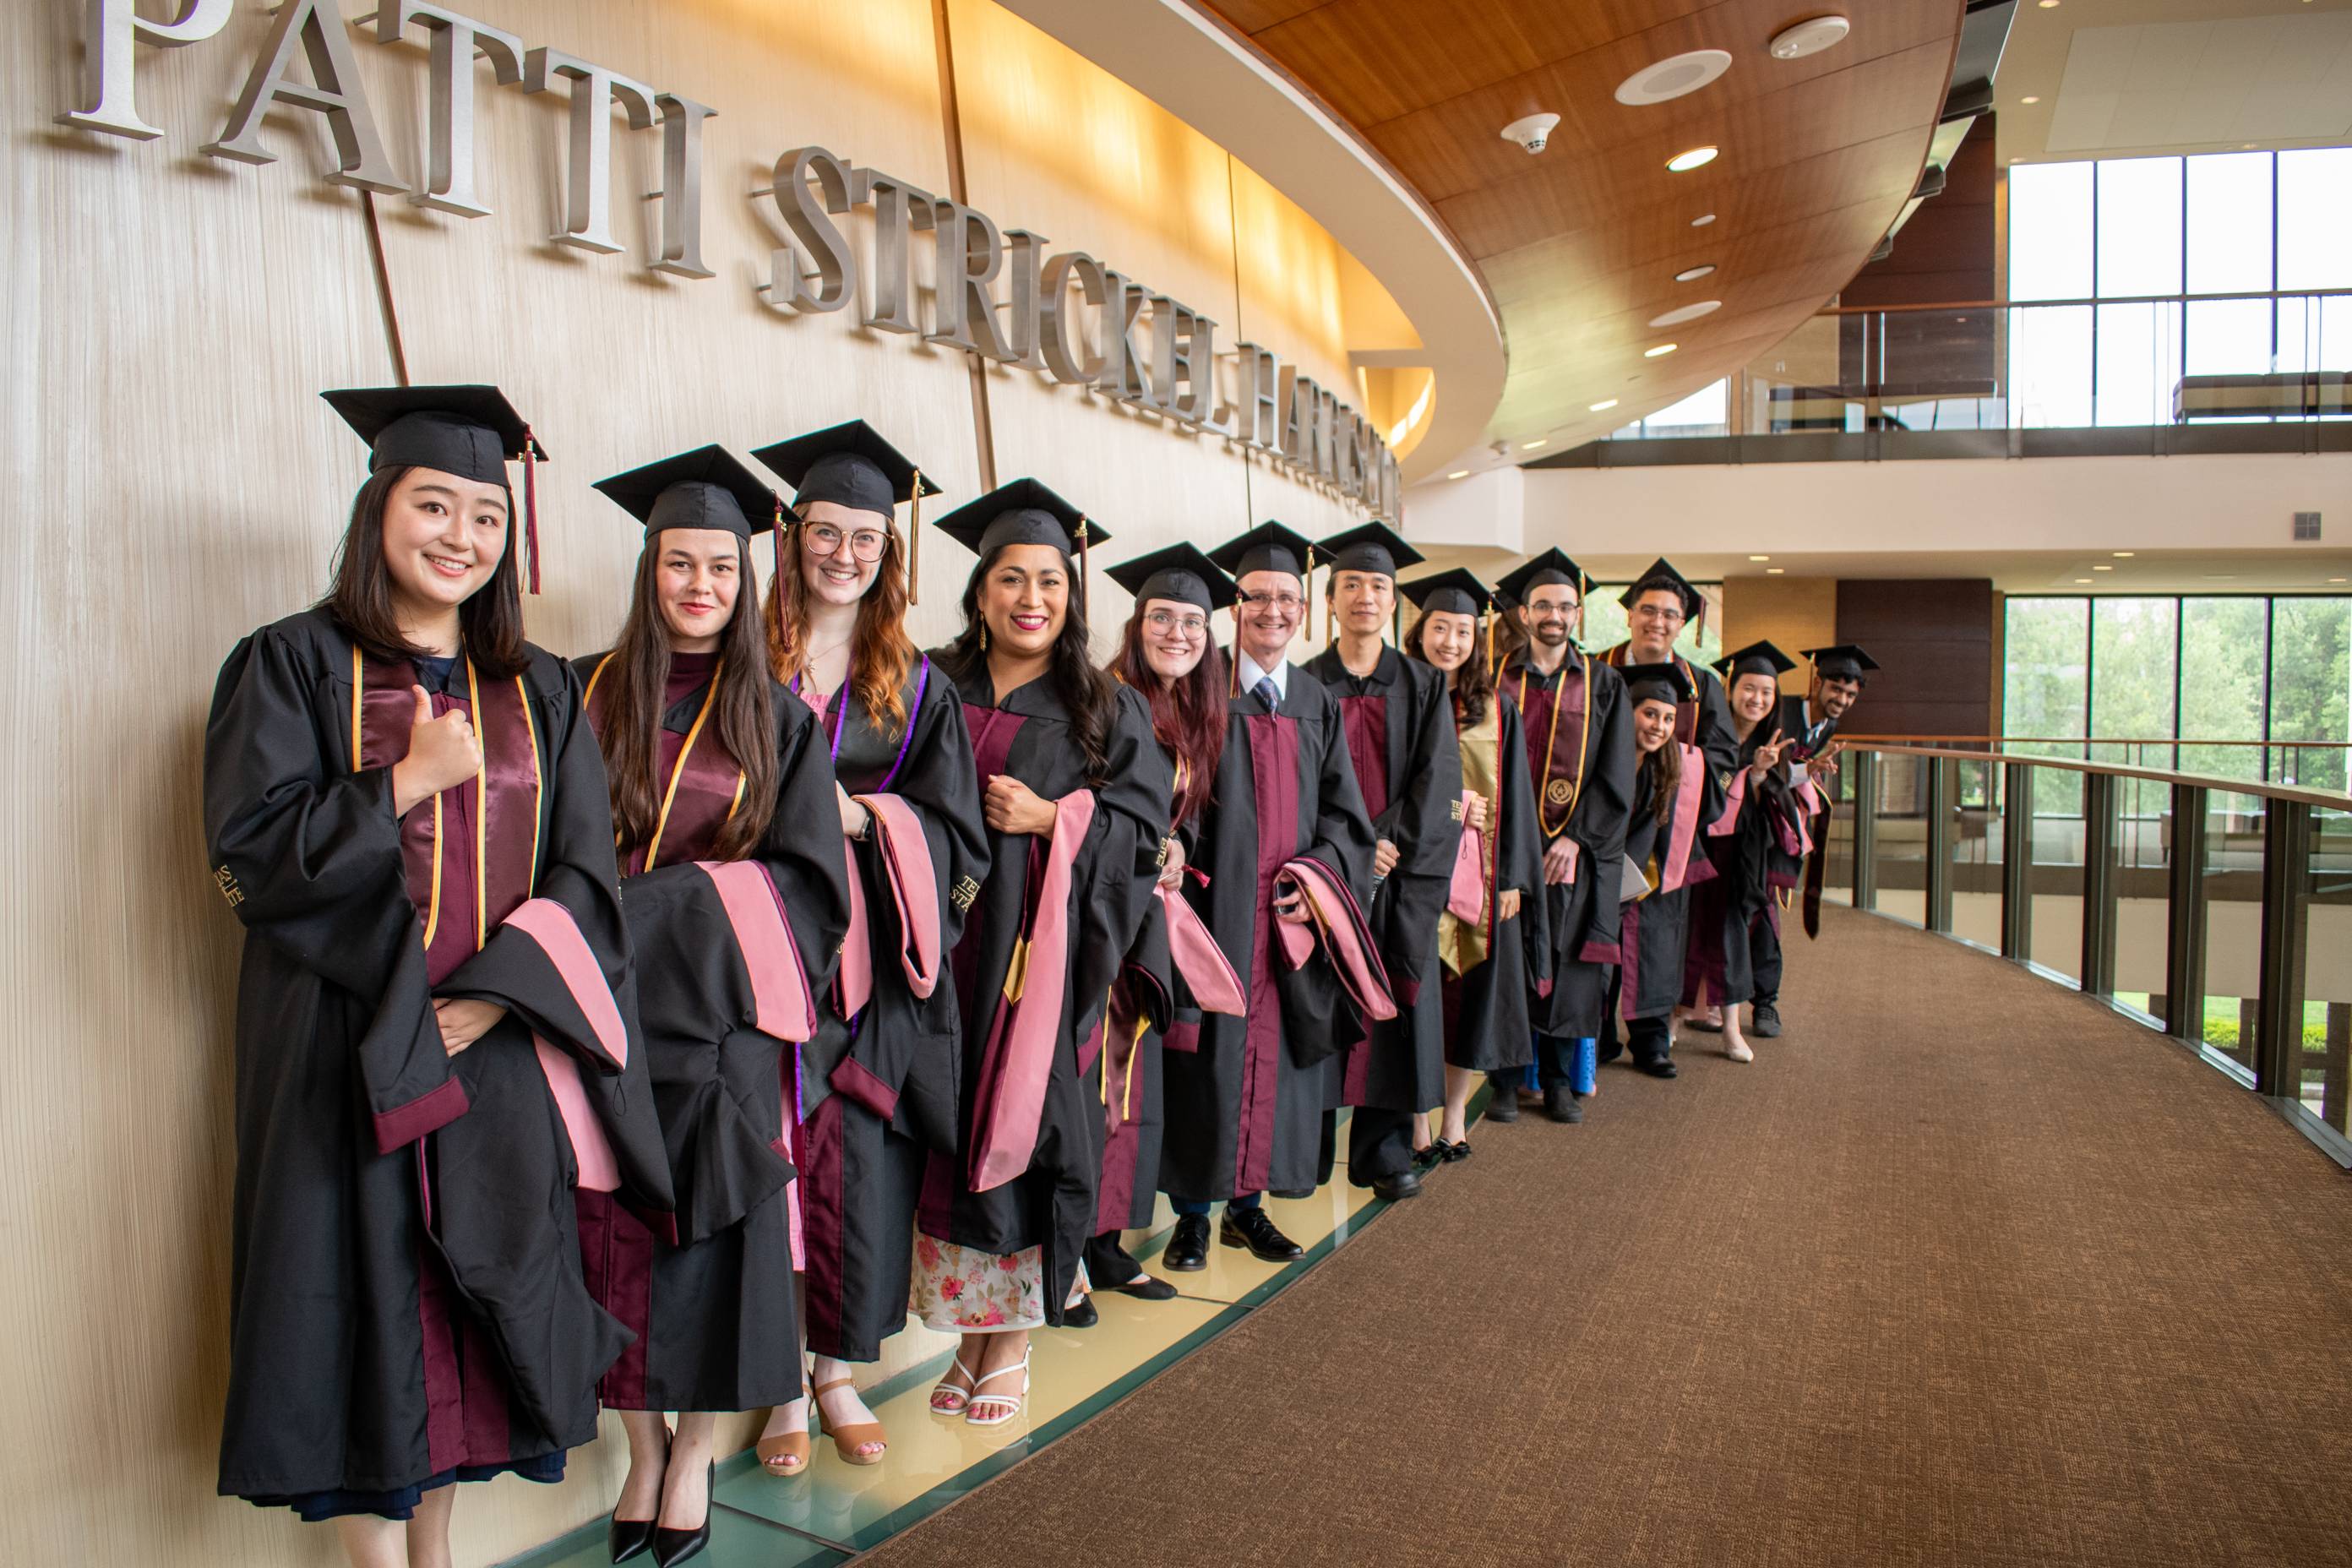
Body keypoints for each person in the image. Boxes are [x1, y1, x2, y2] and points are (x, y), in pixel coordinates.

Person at [205, 385, 672, 1568]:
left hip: (494, 1050)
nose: (460, 536)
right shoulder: (289, 665)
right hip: (343, 1049)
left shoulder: (540, 688)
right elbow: (246, 860)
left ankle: (437, 1554)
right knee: (360, 1308)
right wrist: (401, 786)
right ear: (378, 513)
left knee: (465, 1316)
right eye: (433, 505)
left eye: (485, 514)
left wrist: (492, 1000)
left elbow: (583, 875)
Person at [575, 444, 853, 1565]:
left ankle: (693, 1462)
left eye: (720, 570)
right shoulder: (581, 690)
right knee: (611, 1245)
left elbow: (811, 888)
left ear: (747, 588)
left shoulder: (777, 720)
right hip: (597, 1019)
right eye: (678, 564)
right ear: (648, 572)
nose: (698, 585)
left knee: (717, 1257)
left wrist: (677, 905)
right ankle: (642, 1453)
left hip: (724, 1030)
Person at [748, 422, 988, 1471]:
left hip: (862, 966)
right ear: (791, 534)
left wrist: (873, 822)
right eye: (826, 532)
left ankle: (834, 1370)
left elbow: (959, 834)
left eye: (866, 538)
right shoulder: (741, 659)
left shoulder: (919, 684)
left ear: (890, 553)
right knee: (767, 1162)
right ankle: (772, 1384)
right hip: (753, 952)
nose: (844, 553)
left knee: (848, 1164)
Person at [915, 481, 1170, 1425]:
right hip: (945, 952)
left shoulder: (1105, 704)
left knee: (1029, 1130)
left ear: (1072, 596)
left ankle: (1012, 1339)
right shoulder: (931, 681)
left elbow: (1143, 832)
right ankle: (973, 1328)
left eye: (1051, 582)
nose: (1032, 597)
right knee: (951, 1130)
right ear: (980, 590)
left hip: (1041, 966)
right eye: (1011, 578)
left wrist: (1054, 817)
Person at [1160, 521, 1380, 1268]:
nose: (1274, 611)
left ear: (1305, 609)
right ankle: (1193, 1213)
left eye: (1288, 598)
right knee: (1208, 1058)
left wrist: (1314, 880)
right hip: (1216, 914)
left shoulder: (1315, 702)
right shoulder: (1202, 690)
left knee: (1273, 1062)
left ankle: (1246, 1209)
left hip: (1287, 923)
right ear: (1235, 606)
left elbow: (1347, 817)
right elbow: (1174, 802)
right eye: (1258, 597)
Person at [1080, 542, 1241, 1315]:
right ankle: (1069, 1255)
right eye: (1162, 617)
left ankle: (1106, 1244)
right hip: (1095, 915)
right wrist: (1147, 850)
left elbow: (1175, 818)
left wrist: (1173, 847)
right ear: (1136, 622)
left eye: (1193, 622)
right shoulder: (1104, 697)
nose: (1178, 632)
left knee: (1130, 1074)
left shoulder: (1193, 710)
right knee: (1088, 1077)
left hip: (1148, 918)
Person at [1304, 521, 1462, 1202]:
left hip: (1400, 878)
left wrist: (1384, 843)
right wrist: (1350, 848)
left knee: (1394, 1007)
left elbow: (1439, 778)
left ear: (1394, 600)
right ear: (1331, 599)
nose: (1365, 596)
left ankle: (1387, 1149)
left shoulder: (1424, 684)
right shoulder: (1307, 684)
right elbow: (1295, 781)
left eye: (1379, 585)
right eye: (1351, 585)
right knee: (1314, 999)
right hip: (1326, 871)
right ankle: (1300, 1156)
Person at [1398, 569, 1549, 1159]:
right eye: (1441, 628)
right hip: (1414, 874)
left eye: (1463, 631)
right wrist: (1456, 807)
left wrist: (1512, 874)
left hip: (1482, 881)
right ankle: (1415, 1116)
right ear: (1421, 632)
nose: (1452, 642)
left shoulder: (1495, 709)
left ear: (1477, 638)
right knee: (1417, 996)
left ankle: (1456, 1111)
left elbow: (1516, 795)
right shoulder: (1399, 694)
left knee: (1471, 997)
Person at [1489, 549, 1635, 1124]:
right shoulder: (1496, 677)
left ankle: (1555, 1079)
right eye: (1543, 604)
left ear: (1578, 614)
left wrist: (1575, 837)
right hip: (1504, 849)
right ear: (1524, 613)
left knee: (1569, 967)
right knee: (1506, 960)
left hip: (1568, 853)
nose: (1555, 615)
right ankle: (1504, 1076)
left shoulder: (1605, 683)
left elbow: (1616, 772)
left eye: (1565, 606)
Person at [1599, 663, 1730, 1079]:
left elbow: (1709, 809)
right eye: (1649, 714)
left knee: (1655, 953)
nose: (1659, 726)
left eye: (1669, 718)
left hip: (1656, 872)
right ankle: (1599, 1038)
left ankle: (1651, 1044)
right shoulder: (1603, 756)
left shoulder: (1679, 765)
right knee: (1600, 958)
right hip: (1608, 872)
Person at [1679, 641, 1802, 1064]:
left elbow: (1774, 804)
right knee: (1688, 930)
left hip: (1742, 855)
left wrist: (1761, 775)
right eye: (1750, 688)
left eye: (1766, 692)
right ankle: (1674, 1017)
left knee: (1731, 933)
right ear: (1730, 687)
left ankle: (1731, 1029)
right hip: (1699, 846)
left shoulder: (1775, 744)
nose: (1757, 699)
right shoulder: (1709, 732)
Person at [1783, 643, 1877, 959]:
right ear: (1816, 684)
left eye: (1850, 695)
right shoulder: (1781, 711)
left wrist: (1810, 772)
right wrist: (1805, 771)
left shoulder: (1830, 725)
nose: (1842, 700)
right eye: (1836, 689)